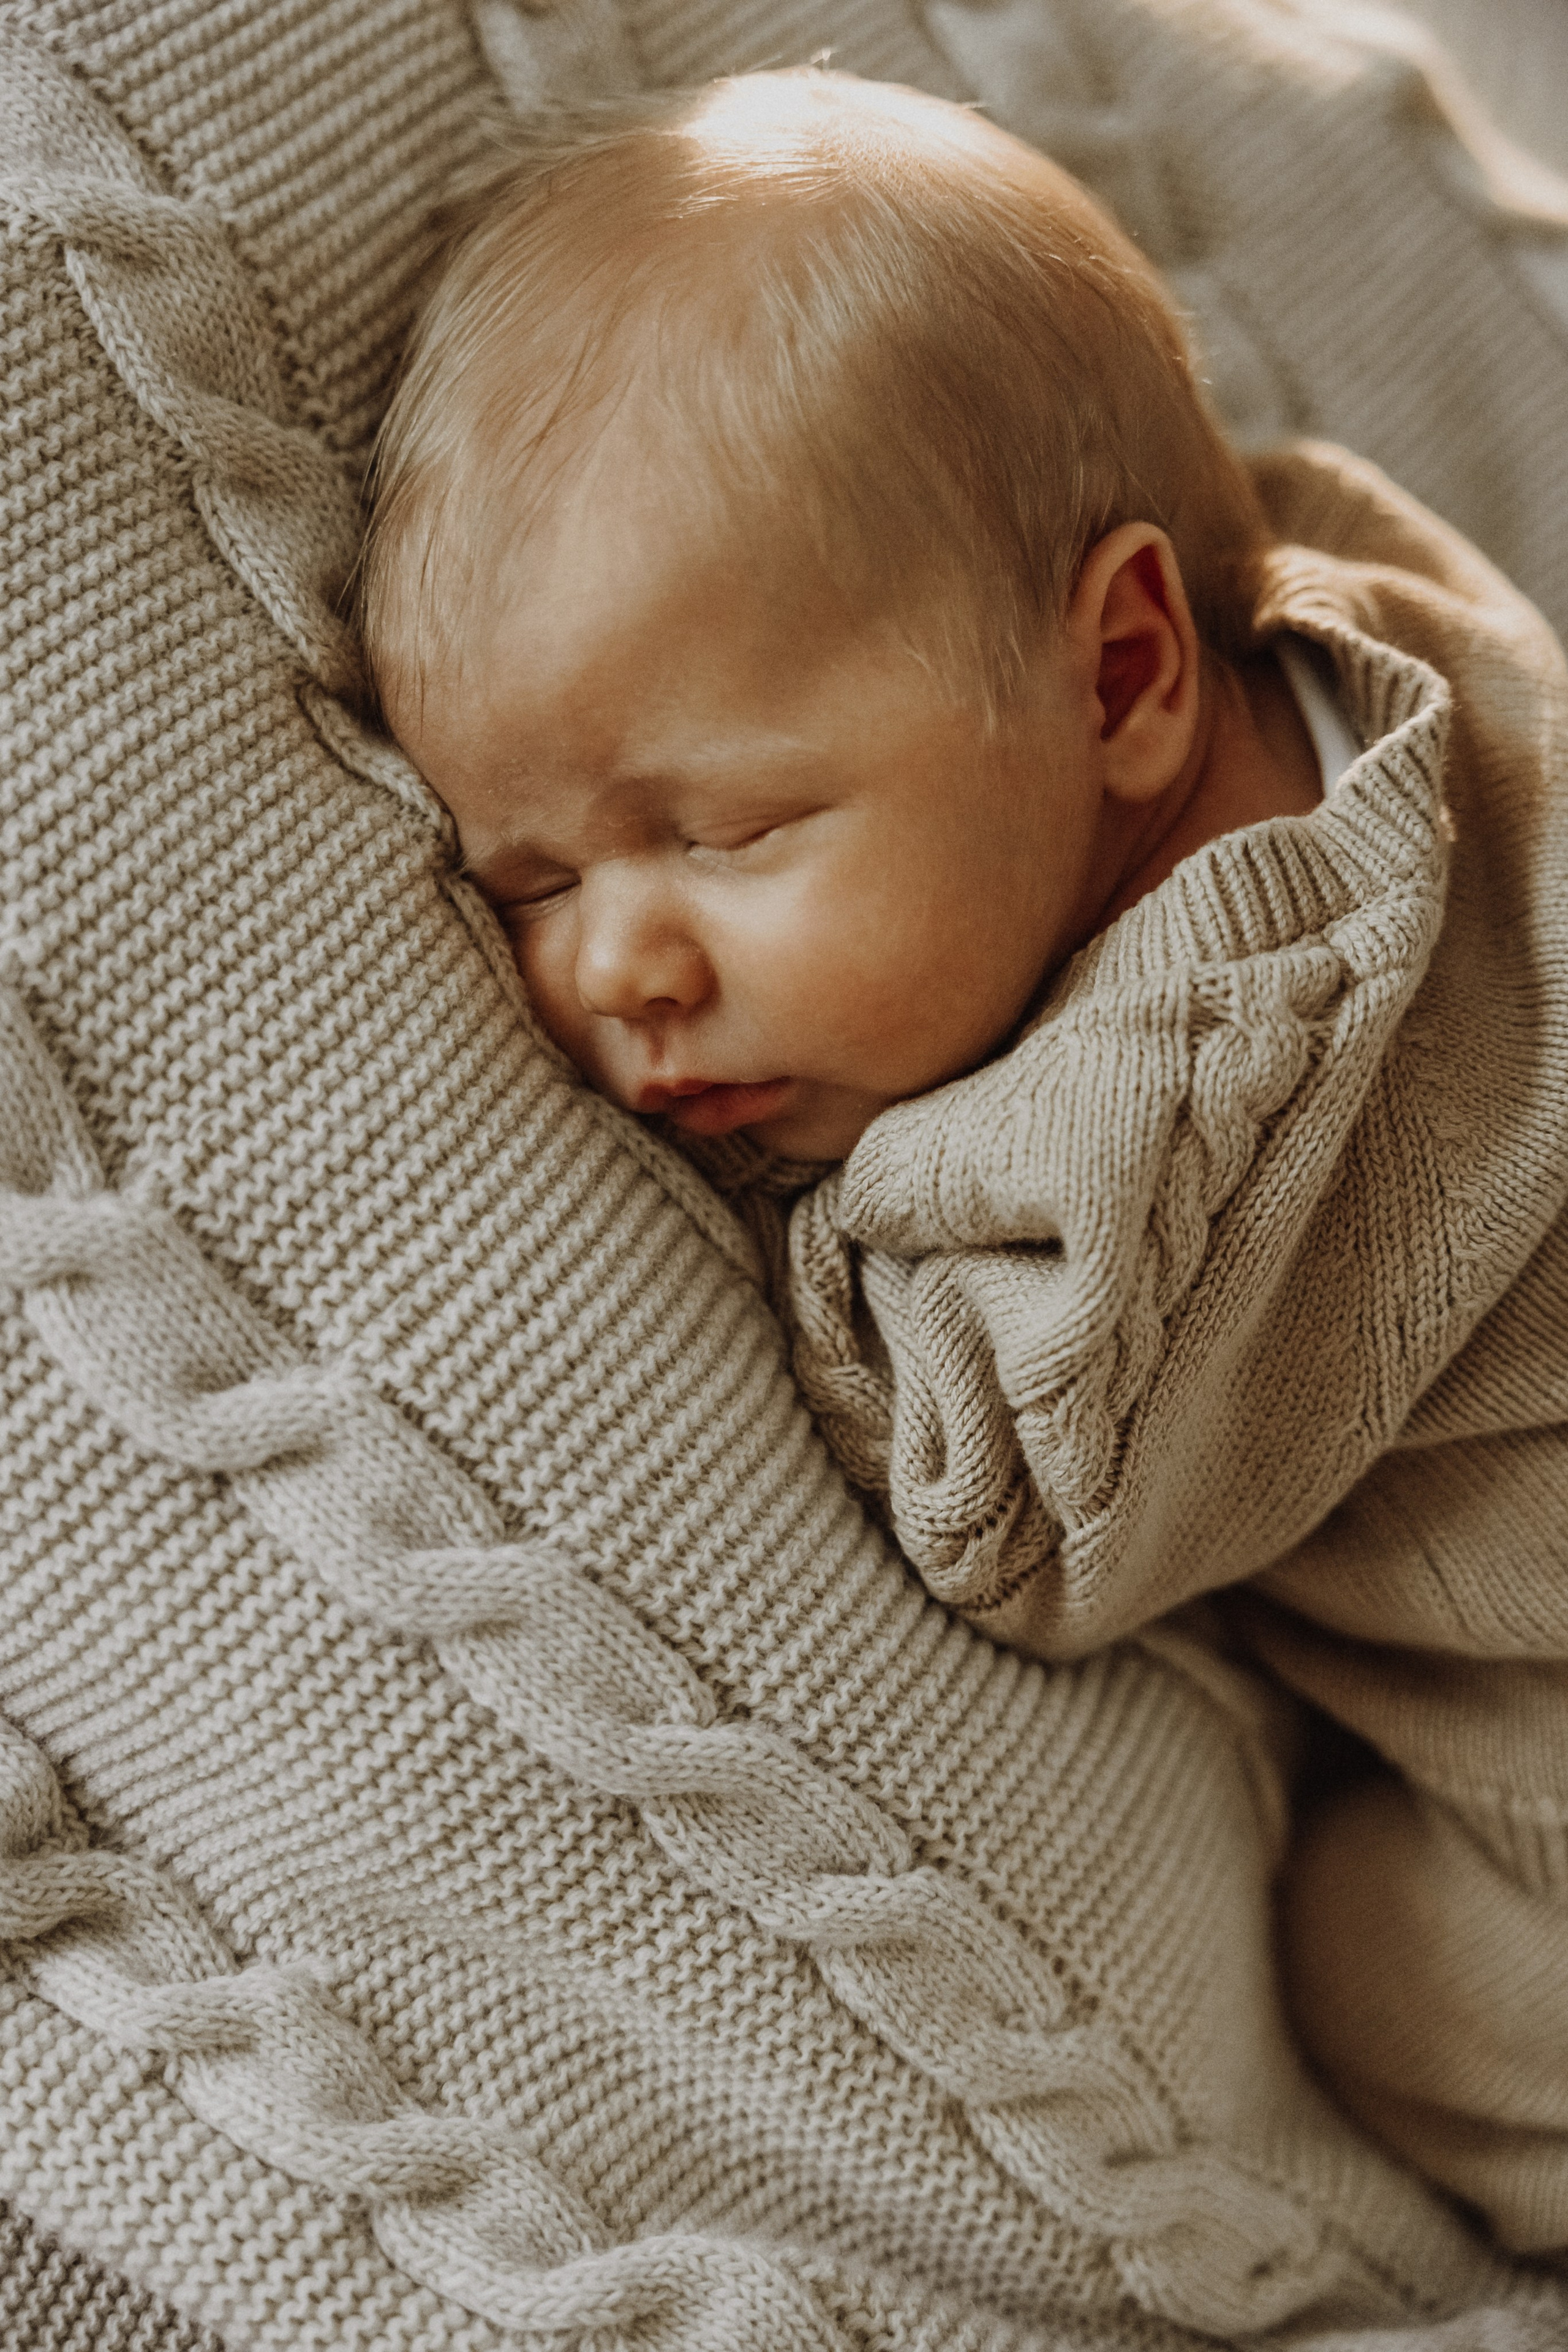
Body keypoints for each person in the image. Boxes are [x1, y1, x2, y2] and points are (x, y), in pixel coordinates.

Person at [358, 69, 1568, 2253]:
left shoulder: (1200, 1122)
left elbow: (1019, 1519)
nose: (613, 966)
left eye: (727, 830)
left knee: (1393, 1979)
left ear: (1124, 670)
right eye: (527, 879)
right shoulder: (1368, 619)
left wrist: (805, 1221)